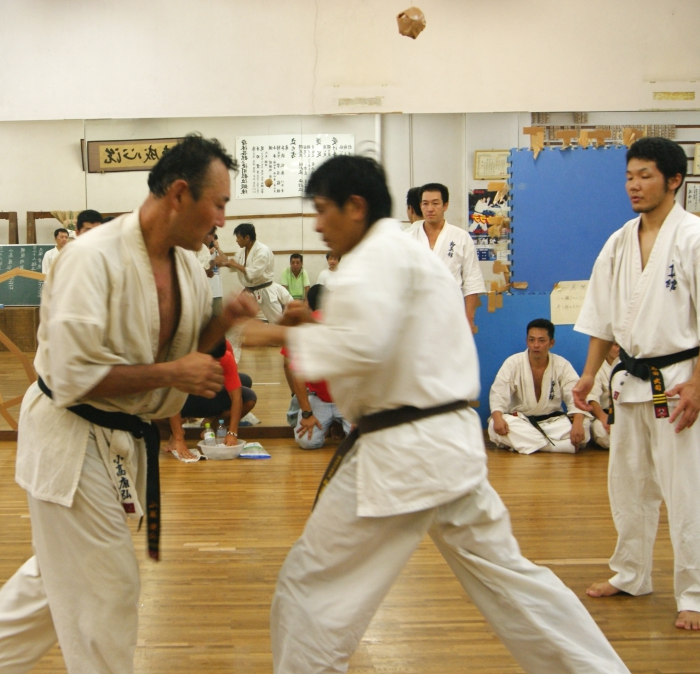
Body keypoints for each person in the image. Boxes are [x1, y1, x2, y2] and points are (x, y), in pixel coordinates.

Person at [244, 154, 629, 673]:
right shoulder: (403, 256)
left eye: (322, 210)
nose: (316, 224)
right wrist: (311, 324)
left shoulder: (376, 259)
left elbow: (361, 350)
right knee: (513, 584)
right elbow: (375, 338)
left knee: (309, 589)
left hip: (402, 452)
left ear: (354, 207)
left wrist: (275, 333)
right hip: (447, 447)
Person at [0, 135, 258, 673]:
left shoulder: (188, 265)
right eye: (219, 203)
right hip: (72, 435)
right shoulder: (91, 258)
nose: (221, 218)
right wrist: (173, 373)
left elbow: (182, 353)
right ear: (180, 194)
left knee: (67, 570)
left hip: (121, 440)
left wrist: (224, 321)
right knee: (107, 586)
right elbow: (73, 376)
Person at [572, 136, 700, 631]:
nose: (634, 185)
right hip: (629, 380)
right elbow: (603, 316)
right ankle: (631, 572)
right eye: (629, 176)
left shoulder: (692, 237)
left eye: (645, 175)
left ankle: (692, 591)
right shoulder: (620, 240)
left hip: (678, 382)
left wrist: (697, 384)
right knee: (628, 483)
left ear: (673, 180)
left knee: (684, 488)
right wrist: (588, 374)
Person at [487, 318, 590, 454]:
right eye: (532, 340)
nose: (536, 345)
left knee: (584, 425)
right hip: (522, 421)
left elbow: (575, 397)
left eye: (541, 341)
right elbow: (498, 394)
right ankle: (555, 447)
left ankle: (527, 444)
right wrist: (498, 418)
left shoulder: (562, 365)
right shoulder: (513, 363)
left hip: (553, 422)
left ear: (551, 343)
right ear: (526, 341)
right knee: (494, 425)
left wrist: (577, 423)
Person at [282, 284, 351, 449]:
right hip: (329, 398)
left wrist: (304, 409)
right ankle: (334, 424)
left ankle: (336, 424)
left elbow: (288, 366)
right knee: (308, 440)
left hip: (342, 399)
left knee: (307, 440)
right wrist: (306, 411)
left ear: (308, 303)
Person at [408, 182, 486, 327]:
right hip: (416, 314)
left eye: (435, 203)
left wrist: (469, 318)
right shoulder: (408, 239)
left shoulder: (461, 237)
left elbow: (472, 280)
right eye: (425, 204)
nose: (430, 208)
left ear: (445, 205)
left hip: (450, 312)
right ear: (420, 206)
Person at [168, 339, 256, 457]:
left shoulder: (226, 354)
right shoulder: (182, 357)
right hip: (182, 398)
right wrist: (179, 438)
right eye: (211, 362)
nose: (214, 366)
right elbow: (171, 399)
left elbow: (236, 397)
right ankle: (174, 431)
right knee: (153, 407)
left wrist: (232, 432)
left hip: (207, 393)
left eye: (218, 361)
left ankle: (212, 427)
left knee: (247, 392)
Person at [216, 223, 282, 323]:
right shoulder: (242, 251)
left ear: (247, 237)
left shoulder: (263, 251)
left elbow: (254, 272)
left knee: (277, 321)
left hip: (265, 290)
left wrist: (235, 264)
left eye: (238, 237)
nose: (236, 240)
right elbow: (236, 266)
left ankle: (285, 336)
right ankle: (239, 338)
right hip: (249, 291)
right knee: (237, 319)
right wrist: (224, 263)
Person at [585, 343, 620, 449]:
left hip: (626, 413)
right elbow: (592, 399)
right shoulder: (596, 367)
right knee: (600, 430)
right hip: (605, 413)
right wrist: (603, 417)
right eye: (615, 345)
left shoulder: (630, 366)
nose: (619, 349)